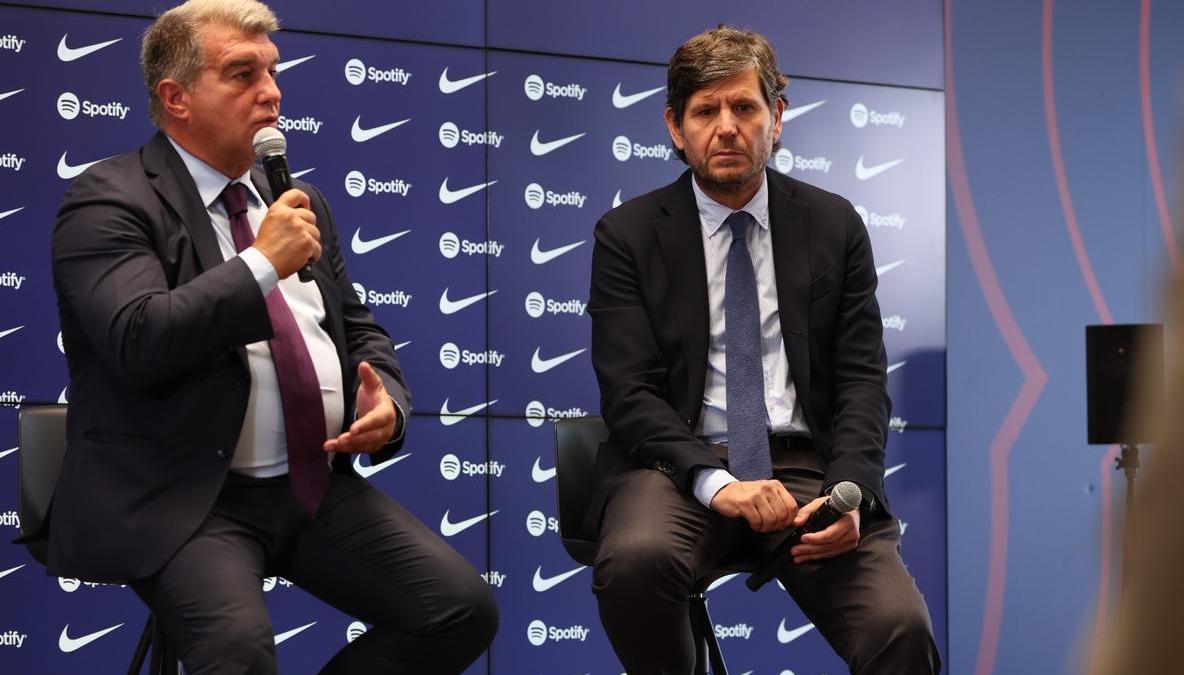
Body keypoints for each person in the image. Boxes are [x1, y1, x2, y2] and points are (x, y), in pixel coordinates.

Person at [46, 1, 496, 672]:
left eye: (273, 71)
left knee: (460, 608)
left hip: (311, 485)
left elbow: (356, 324)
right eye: (241, 73)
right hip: (185, 494)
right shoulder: (109, 199)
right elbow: (138, 339)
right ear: (176, 98)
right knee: (237, 650)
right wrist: (261, 264)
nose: (273, 92)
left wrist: (388, 401)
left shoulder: (295, 201)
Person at [586, 26, 940, 674]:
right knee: (635, 562)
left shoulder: (835, 225)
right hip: (678, 472)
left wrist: (852, 491)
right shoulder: (627, 235)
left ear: (777, 116)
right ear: (675, 126)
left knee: (900, 629)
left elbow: (862, 378)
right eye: (705, 111)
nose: (726, 127)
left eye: (744, 107)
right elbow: (629, 393)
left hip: (806, 471)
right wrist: (718, 484)